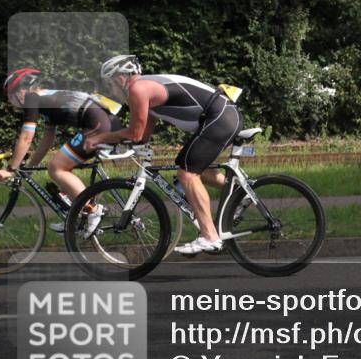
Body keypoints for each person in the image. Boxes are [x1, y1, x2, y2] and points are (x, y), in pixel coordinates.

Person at [84, 55, 242, 255]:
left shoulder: (138, 89)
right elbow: (142, 135)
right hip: (221, 116)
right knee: (190, 166)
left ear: (122, 77)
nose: (110, 88)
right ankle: (240, 194)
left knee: (187, 173)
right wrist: (116, 145)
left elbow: (135, 133)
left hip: (220, 117)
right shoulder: (144, 88)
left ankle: (210, 237)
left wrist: (100, 138)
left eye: (110, 82)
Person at [0, 68, 123, 232]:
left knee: (56, 168)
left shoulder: (31, 98)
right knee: (63, 171)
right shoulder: (48, 99)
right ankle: (76, 216)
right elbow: (47, 139)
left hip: (98, 127)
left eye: (10, 95)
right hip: (107, 123)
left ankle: (93, 210)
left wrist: (11, 169)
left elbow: (27, 136)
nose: (11, 101)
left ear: (21, 90)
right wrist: (30, 167)